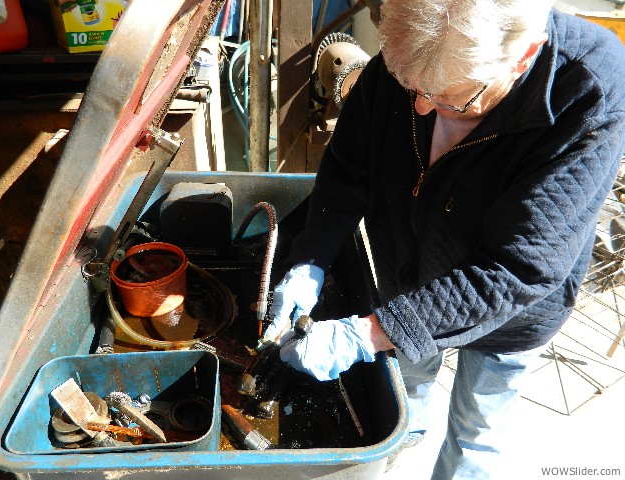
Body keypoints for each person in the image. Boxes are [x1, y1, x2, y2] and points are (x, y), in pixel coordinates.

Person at [262, 0, 625, 478]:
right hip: (406, 281)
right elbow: (347, 173)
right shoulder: (417, 56)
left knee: (477, 437)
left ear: (523, 57)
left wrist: (366, 334)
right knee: (405, 408)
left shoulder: (588, 89)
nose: (421, 107)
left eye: (452, 101)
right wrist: (309, 260)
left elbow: (517, 268)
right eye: (412, 88)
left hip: (511, 311)